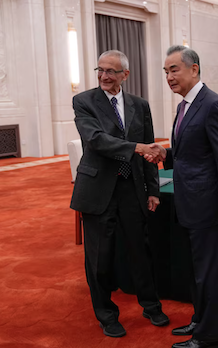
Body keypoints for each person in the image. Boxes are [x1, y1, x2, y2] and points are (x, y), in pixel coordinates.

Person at [146, 45, 218, 348]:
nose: (169, 77)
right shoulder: (184, 106)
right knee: (196, 271)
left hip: (208, 205)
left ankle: (209, 337)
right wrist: (167, 154)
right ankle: (199, 321)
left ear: (194, 69)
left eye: (174, 69)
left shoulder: (212, 104)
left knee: (207, 274)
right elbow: (195, 153)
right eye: (166, 72)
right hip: (190, 202)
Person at [70, 50, 169, 338]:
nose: (104, 76)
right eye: (100, 70)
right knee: (99, 259)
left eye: (111, 71)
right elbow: (96, 140)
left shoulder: (140, 105)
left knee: (141, 253)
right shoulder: (84, 101)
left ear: (125, 75)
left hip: (132, 189)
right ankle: (106, 314)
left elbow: (149, 146)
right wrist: (136, 148)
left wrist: (153, 190)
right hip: (98, 190)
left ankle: (151, 306)